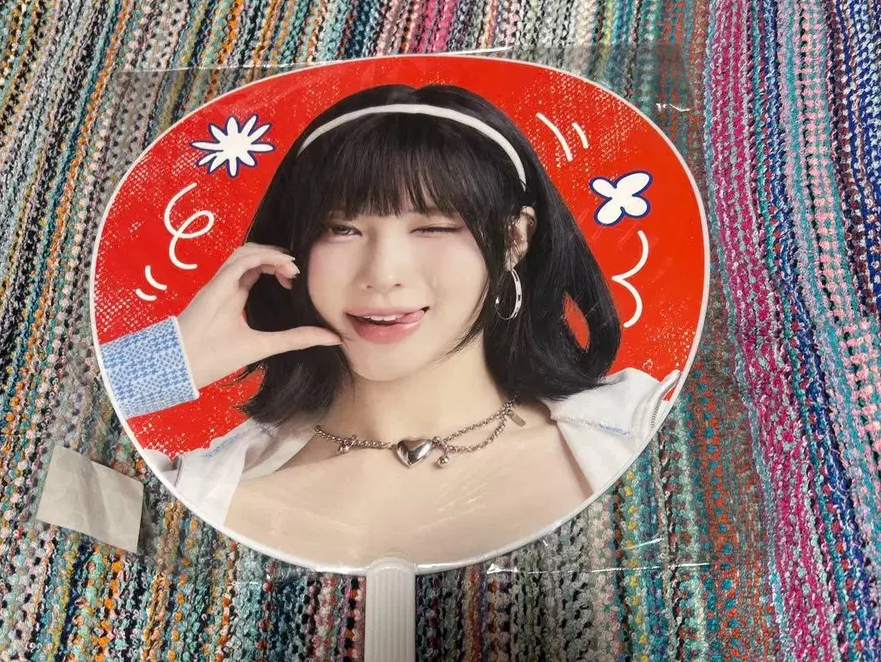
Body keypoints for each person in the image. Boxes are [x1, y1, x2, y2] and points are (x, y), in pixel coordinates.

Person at [100, 83, 679, 568]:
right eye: (341, 229)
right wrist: (159, 366)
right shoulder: (191, 494)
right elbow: (39, 487)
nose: (382, 275)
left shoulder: (645, 428)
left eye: (433, 228)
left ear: (514, 239)